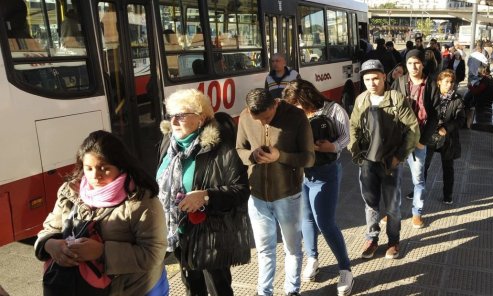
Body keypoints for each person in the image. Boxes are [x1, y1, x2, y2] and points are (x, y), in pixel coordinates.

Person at [34, 130, 168, 296]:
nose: (95, 176)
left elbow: (153, 253)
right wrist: (50, 245)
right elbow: (49, 229)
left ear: (121, 167)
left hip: (134, 291)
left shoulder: (142, 201)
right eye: (88, 168)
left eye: (104, 169)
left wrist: (102, 252)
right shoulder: (69, 192)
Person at [156, 89, 250, 296]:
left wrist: (206, 196)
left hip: (210, 233)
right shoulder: (168, 143)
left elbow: (241, 190)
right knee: (192, 286)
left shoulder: (221, 148)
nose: (174, 122)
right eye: (171, 116)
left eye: (180, 116)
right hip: (178, 231)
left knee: (217, 287)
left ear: (201, 117)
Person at [236, 88, 315, 296]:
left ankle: (292, 290)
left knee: (292, 248)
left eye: (267, 118)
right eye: (258, 119)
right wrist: (252, 155)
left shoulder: (296, 116)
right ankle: (264, 292)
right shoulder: (245, 116)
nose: (263, 123)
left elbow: (309, 158)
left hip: (288, 195)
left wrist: (280, 156)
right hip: (257, 196)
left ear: (275, 105)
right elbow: (239, 150)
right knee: (264, 250)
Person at [281, 79, 354, 296]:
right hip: (301, 173)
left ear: (308, 98)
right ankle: (312, 258)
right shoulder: (295, 114)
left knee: (326, 222)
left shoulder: (334, 110)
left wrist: (332, 146)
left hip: (325, 172)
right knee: (306, 219)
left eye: (298, 105)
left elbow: (346, 137)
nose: (296, 110)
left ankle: (345, 269)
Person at [349, 59, 419, 260]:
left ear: (383, 77)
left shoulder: (396, 98)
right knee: (370, 202)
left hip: (390, 162)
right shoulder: (361, 99)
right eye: (367, 79)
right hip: (368, 161)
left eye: (376, 78)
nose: (372, 83)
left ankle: (394, 240)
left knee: (392, 205)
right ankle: (371, 238)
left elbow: (413, 128)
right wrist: (356, 154)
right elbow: (353, 127)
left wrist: (399, 156)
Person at [391, 49, 440, 229]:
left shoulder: (431, 84)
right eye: (410, 62)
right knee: (393, 177)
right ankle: (392, 211)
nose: (413, 66)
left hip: (419, 139)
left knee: (418, 179)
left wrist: (423, 140)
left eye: (417, 62)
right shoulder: (399, 83)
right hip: (398, 140)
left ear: (422, 64)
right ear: (406, 64)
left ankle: (417, 212)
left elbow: (435, 116)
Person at [423, 70, 465, 204]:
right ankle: (418, 190)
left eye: (452, 82)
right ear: (439, 82)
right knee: (423, 165)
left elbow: (460, 119)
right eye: (446, 81)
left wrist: (447, 128)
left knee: (448, 167)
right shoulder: (431, 96)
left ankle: (448, 195)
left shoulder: (457, 99)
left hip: (447, 138)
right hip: (430, 135)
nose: (450, 85)